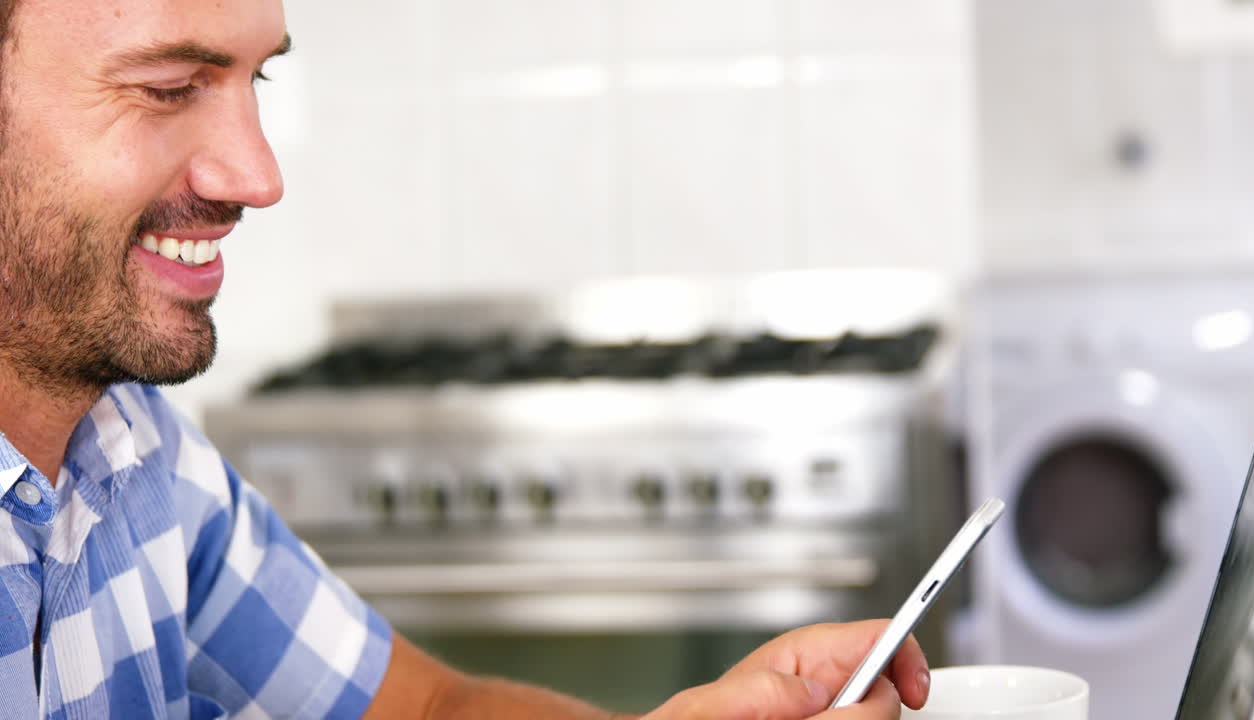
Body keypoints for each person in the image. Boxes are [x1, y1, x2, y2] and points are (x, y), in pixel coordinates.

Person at [0, 0, 933, 717]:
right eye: (168, 89)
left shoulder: (134, 453)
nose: (258, 175)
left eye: (257, 84)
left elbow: (426, 708)